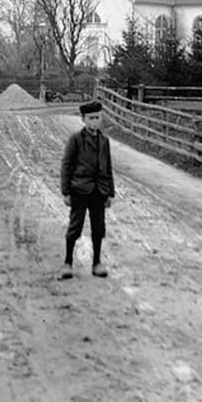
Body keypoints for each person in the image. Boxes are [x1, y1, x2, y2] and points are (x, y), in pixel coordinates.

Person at [58, 100, 116, 279]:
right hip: (80, 190)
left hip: (99, 191)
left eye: (98, 118)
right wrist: (66, 191)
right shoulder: (75, 139)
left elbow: (108, 167)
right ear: (83, 119)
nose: (95, 122)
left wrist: (109, 193)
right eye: (91, 118)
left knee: (99, 228)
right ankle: (68, 263)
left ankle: (97, 263)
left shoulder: (104, 141)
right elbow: (66, 165)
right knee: (75, 227)